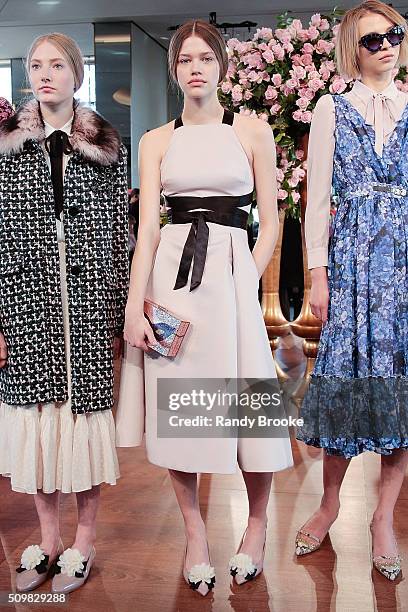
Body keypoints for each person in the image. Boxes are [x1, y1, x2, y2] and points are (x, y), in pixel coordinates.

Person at [119, 19, 293, 597]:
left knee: (248, 409)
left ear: (221, 66)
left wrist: (246, 268)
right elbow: (147, 228)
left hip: (231, 273)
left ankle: (258, 525)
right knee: (183, 410)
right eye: (185, 59)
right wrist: (134, 306)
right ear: (175, 71)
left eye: (205, 57)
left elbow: (271, 218)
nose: (195, 67)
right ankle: (194, 532)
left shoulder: (252, 129)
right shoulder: (155, 140)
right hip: (173, 277)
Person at [0, 33, 128, 593]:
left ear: (77, 74)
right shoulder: (7, 144)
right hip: (27, 300)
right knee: (37, 419)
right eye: (35, 65)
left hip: (89, 300)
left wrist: (118, 310)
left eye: (56, 65)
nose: (44, 74)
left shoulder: (104, 143)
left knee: (82, 418)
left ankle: (84, 537)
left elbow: (120, 236)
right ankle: (47, 538)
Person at [296, 0, 408, 581]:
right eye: (372, 40)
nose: (386, 45)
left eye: (393, 34)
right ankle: (330, 501)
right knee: (344, 386)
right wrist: (317, 272)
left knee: (401, 391)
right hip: (351, 264)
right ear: (352, 49)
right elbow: (317, 200)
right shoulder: (330, 110)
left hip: (405, 268)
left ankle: (383, 516)